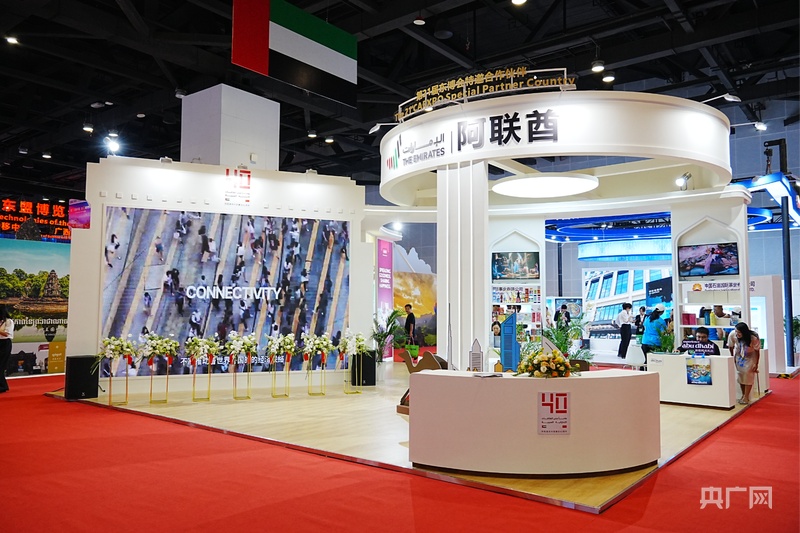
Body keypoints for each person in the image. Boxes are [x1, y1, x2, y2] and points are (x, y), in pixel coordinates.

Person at [732, 322, 760, 404]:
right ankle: (743, 395)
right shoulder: (733, 335)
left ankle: (746, 396)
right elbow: (731, 346)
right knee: (741, 376)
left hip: (750, 357)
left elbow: (757, 351)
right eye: (736, 331)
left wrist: (756, 363)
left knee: (748, 375)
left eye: (739, 332)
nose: (737, 334)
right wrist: (733, 358)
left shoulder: (753, 338)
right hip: (739, 357)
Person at [641, 303, 667, 370]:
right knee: (654, 362)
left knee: (645, 360)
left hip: (645, 341)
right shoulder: (661, 321)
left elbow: (644, 327)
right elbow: (663, 333)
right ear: (662, 312)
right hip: (655, 343)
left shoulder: (647, 318)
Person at [0, 305, 14, 393]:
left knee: (1, 365)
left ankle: (2, 386)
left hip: (4, 343)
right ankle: (3, 385)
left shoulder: (9, 321)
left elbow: (7, 334)